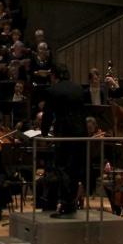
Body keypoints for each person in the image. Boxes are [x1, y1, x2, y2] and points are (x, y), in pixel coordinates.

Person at [40, 65, 88, 216]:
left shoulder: (52, 90)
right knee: (74, 169)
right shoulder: (79, 88)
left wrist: (44, 133)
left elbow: (47, 114)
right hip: (81, 133)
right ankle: (70, 204)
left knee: (62, 168)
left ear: (54, 75)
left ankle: (65, 203)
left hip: (65, 133)